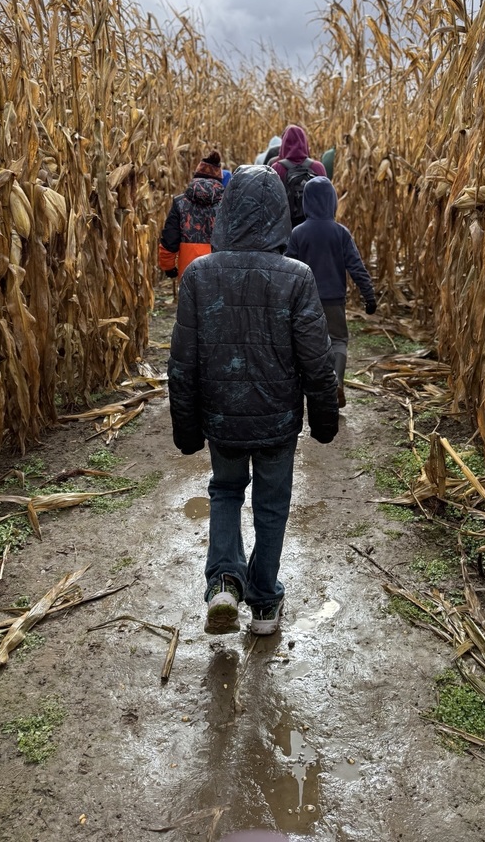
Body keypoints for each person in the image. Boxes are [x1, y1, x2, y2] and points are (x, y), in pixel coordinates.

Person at [168, 165, 339, 636]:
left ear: (228, 213)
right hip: (277, 421)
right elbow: (315, 360)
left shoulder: (199, 274)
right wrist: (324, 418)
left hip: (221, 419)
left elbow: (182, 361)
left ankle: (224, 580)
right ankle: (264, 603)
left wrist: (186, 427)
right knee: (271, 504)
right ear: (280, 215)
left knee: (225, 492)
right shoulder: (296, 277)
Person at [285, 176, 376, 408]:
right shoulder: (341, 233)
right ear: (332, 202)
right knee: (337, 341)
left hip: (306, 300)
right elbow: (356, 266)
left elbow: (288, 268)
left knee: (305, 343)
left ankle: (309, 389)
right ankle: (337, 382)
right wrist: (369, 295)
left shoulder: (298, 233)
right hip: (334, 299)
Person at [158, 150, 225, 281]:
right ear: (219, 180)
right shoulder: (228, 203)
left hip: (188, 272)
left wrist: (168, 267)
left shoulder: (180, 203)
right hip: (221, 269)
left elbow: (169, 239)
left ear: (196, 177)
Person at [269, 124, 328, 229]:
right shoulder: (318, 168)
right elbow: (326, 201)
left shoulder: (277, 168)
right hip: (314, 228)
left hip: (286, 229)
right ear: (305, 143)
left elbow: (272, 204)